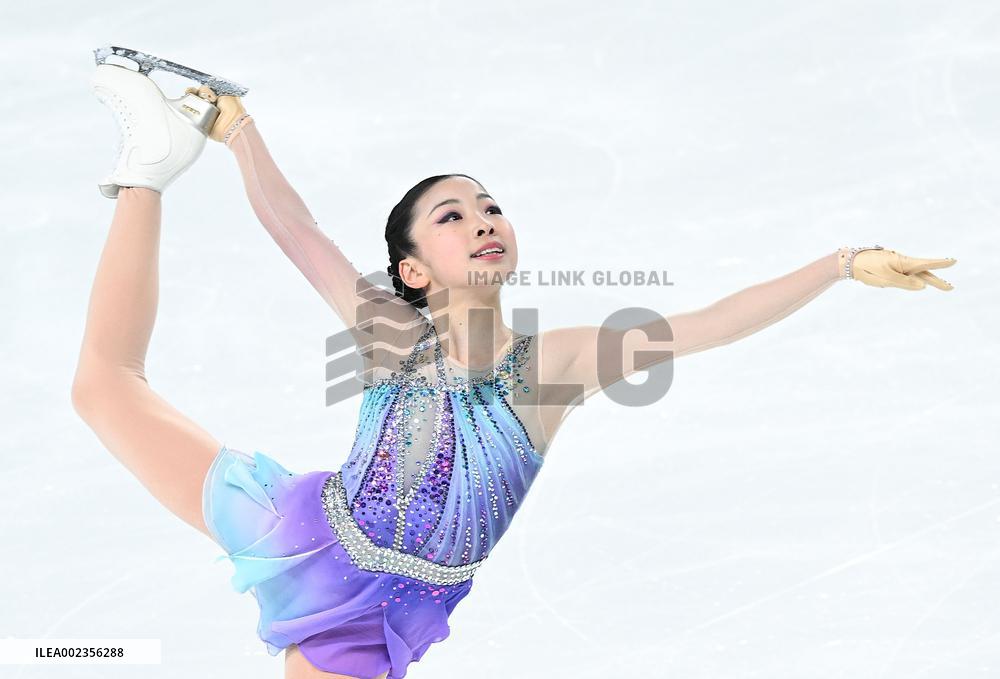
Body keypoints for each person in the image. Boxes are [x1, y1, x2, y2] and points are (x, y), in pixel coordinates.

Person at [72, 63, 958, 679]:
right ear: (412, 269)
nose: (484, 219)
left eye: (490, 206)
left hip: (389, 604)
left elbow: (713, 322)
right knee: (101, 384)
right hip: (313, 537)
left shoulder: (555, 366)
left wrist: (842, 262)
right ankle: (147, 166)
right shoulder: (387, 333)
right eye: (452, 215)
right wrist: (240, 132)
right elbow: (296, 231)